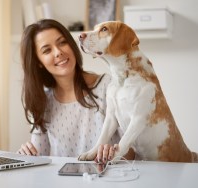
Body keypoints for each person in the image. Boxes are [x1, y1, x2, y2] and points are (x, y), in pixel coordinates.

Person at [18, 19, 134, 163]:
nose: (58, 52)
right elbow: (40, 159)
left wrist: (115, 154)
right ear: (38, 62)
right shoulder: (42, 102)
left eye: (62, 42)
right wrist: (26, 156)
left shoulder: (108, 86)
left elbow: (135, 152)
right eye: (47, 50)